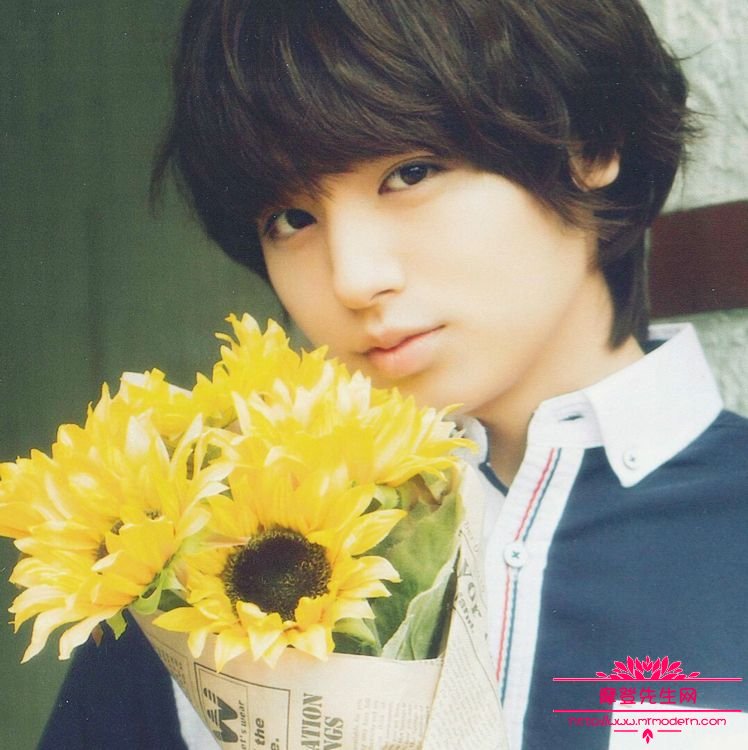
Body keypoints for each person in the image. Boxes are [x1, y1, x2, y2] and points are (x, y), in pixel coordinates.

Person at [40, 1, 748, 748]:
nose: (352, 277)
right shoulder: (206, 557)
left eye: (410, 173)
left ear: (593, 142)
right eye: (290, 219)